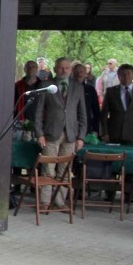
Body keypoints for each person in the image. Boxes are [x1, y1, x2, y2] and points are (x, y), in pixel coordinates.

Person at [34, 57, 86, 208]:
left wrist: (81, 136)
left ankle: (60, 201)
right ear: (55, 69)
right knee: (48, 168)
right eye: (61, 68)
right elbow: (38, 112)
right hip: (50, 133)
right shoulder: (46, 85)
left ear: (71, 70)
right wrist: (39, 133)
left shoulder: (78, 86)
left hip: (71, 134)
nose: (64, 71)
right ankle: (45, 201)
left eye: (67, 68)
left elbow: (82, 113)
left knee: (65, 170)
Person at [101, 63, 133, 145]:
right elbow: (104, 114)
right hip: (114, 135)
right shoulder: (111, 91)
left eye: (128, 73)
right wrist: (105, 133)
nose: (126, 76)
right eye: (123, 74)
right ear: (118, 76)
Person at [73, 63, 100, 136]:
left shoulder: (90, 90)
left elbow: (96, 112)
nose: (79, 74)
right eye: (76, 72)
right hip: (70, 127)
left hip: (87, 127)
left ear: (86, 74)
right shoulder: (67, 89)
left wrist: (95, 129)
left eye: (81, 72)